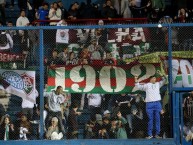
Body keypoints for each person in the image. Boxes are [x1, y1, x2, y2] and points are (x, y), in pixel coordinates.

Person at [135, 71, 166, 139]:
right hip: (149, 104)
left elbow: (164, 80)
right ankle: (150, 134)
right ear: (150, 79)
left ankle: (158, 134)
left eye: (155, 78)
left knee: (158, 119)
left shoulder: (158, 84)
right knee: (150, 119)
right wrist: (136, 80)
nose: (154, 79)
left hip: (157, 103)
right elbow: (139, 86)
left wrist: (162, 75)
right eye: (153, 78)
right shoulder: (147, 85)